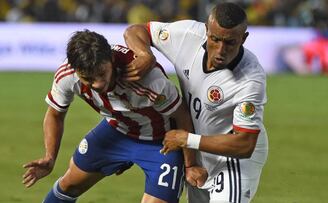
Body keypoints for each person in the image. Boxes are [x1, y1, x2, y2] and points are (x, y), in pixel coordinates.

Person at [22, 30, 205, 203]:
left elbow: (182, 115)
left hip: (161, 142)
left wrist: (189, 164)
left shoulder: (148, 79)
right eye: (88, 79)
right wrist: (50, 157)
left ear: (111, 58)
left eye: (102, 73)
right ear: (76, 71)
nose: (98, 84)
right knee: (69, 184)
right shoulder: (68, 76)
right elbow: (55, 114)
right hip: (117, 131)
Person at [123, 2, 268, 203]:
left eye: (230, 43)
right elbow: (136, 31)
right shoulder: (188, 35)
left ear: (243, 38)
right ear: (206, 30)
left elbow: (245, 144)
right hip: (200, 151)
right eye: (215, 39)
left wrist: (187, 140)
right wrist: (145, 54)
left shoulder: (250, 80)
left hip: (233, 159)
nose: (220, 50)